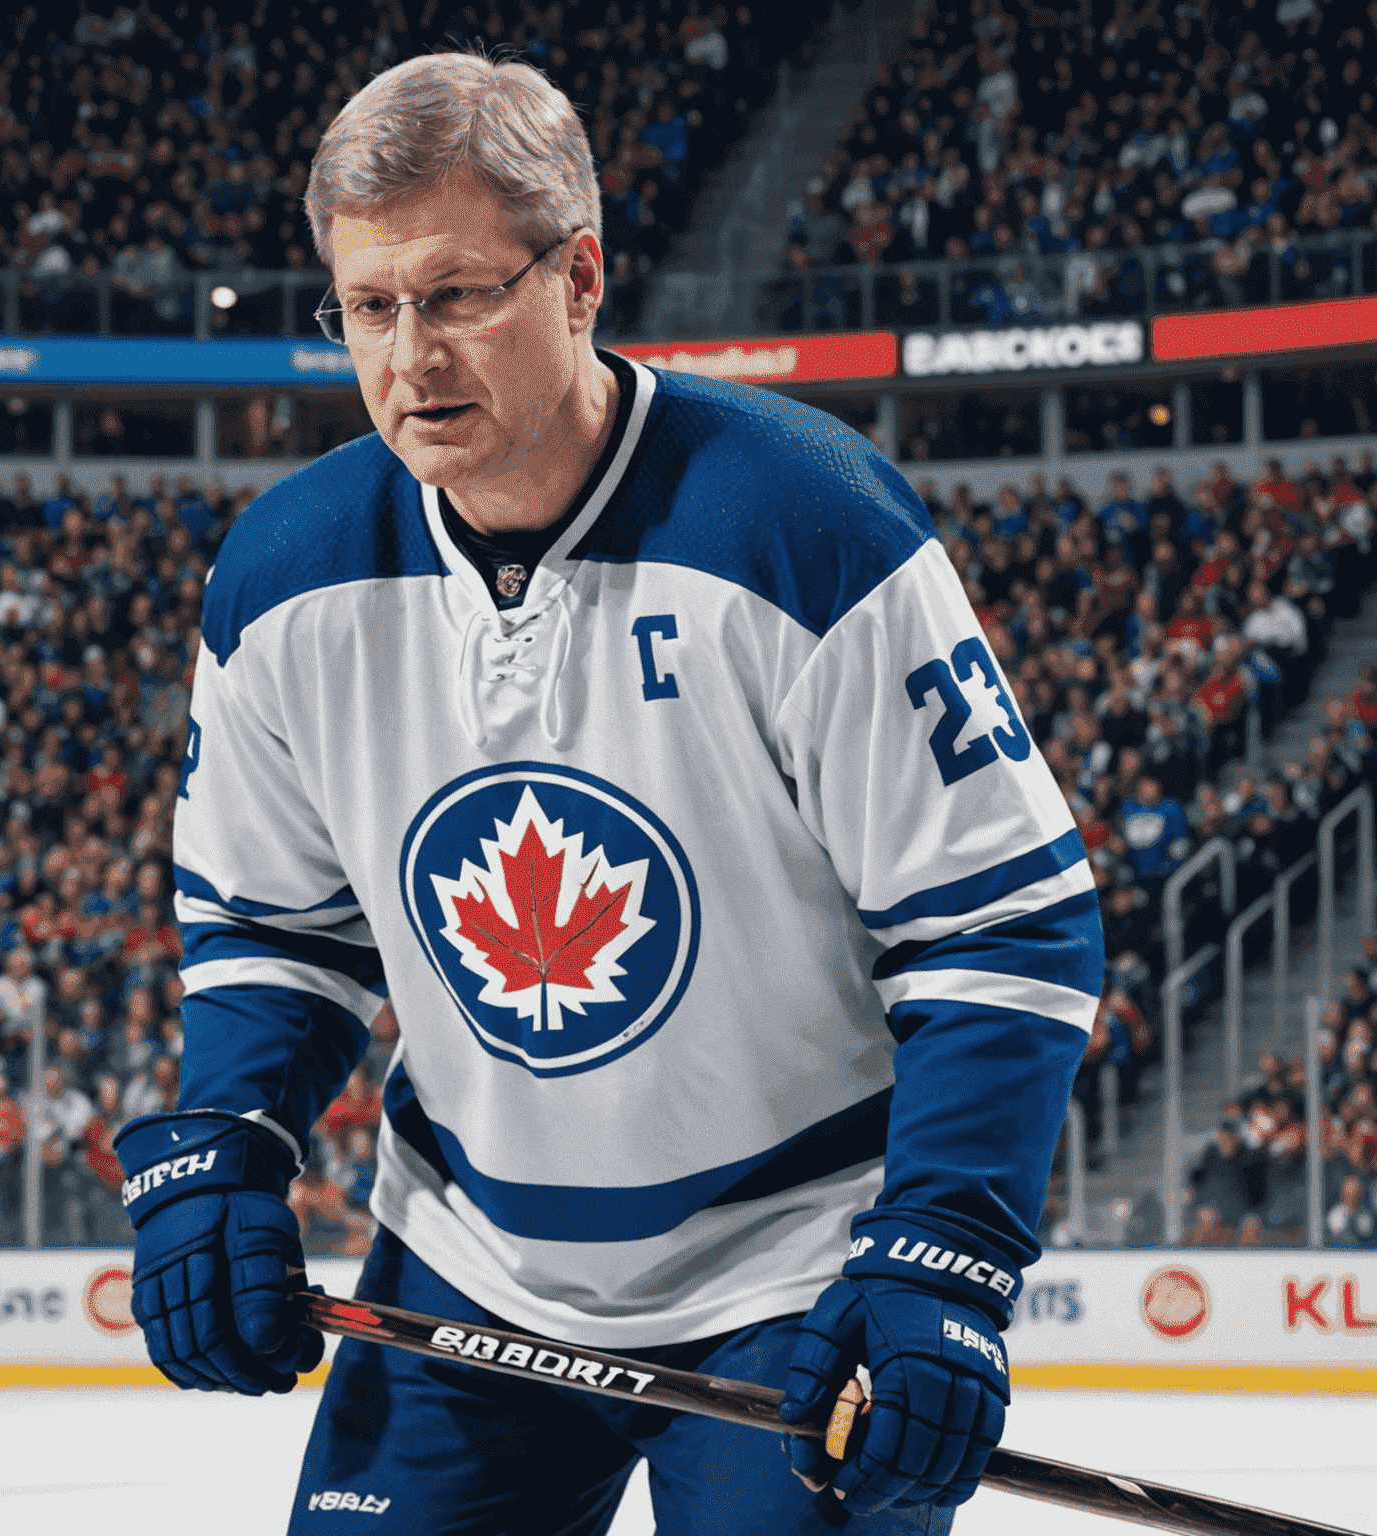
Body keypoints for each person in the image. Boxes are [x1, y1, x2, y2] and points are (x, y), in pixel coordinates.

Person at [114, 52, 1103, 1534]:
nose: (408, 359)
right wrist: (227, 1143)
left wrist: (940, 1253)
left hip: (797, 1269)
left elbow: (1000, 929)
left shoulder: (806, 525)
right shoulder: (282, 576)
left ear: (579, 278)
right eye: (369, 308)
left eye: (455, 296)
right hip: (470, 1265)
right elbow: (274, 931)